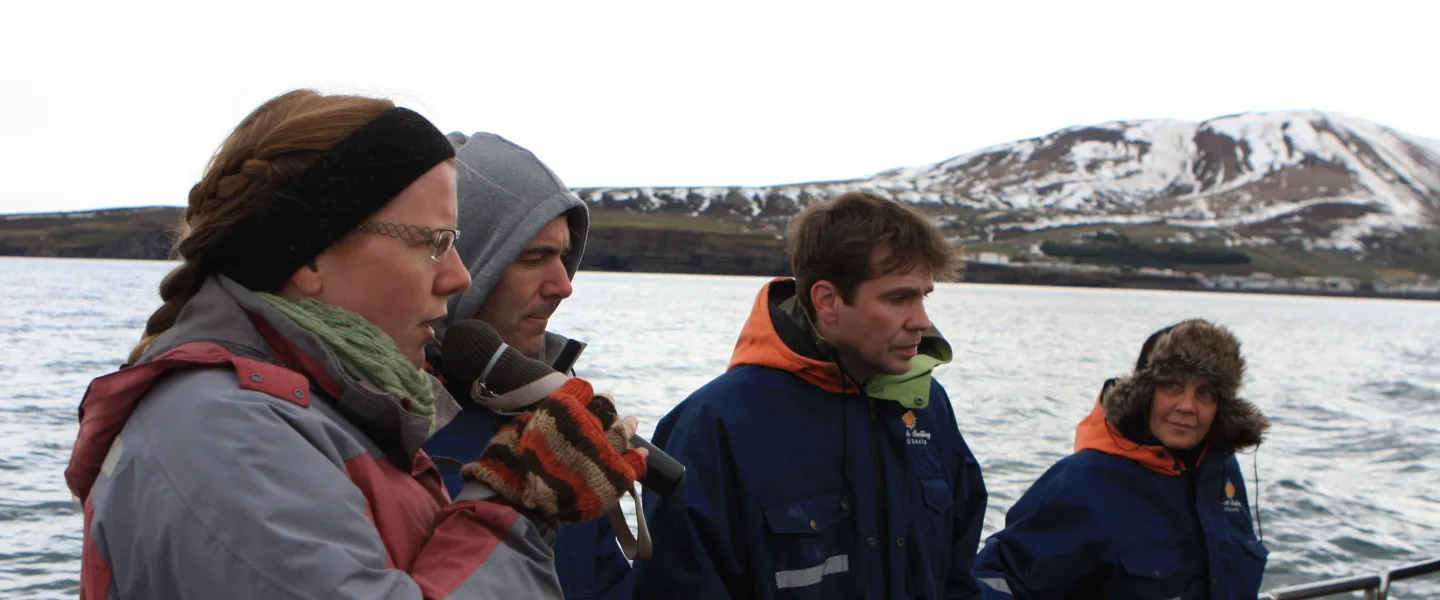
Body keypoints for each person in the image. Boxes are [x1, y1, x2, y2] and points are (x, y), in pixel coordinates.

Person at [63, 89, 647, 599]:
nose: (459, 276)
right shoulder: (217, 432)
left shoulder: (333, 411)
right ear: (309, 253)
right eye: (434, 243)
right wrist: (515, 508)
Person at [632, 190, 990, 599]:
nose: (922, 322)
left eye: (923, 296)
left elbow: (958, 574)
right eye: (898, 298)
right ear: (828, 301)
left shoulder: (926, 405)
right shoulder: (715, 425)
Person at [422, 131, 634, 600]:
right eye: (534, 258)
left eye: (564, 256)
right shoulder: (391, 423)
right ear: (464, 260)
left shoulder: (558, 419)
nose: (563, 285)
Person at [973, 319, 1271, 599]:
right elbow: (995, 579)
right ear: (1143, 392)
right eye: (1172, 386)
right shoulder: (1085, 479)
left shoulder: (1221, 471)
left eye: (1206, 393)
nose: (1187, 406)